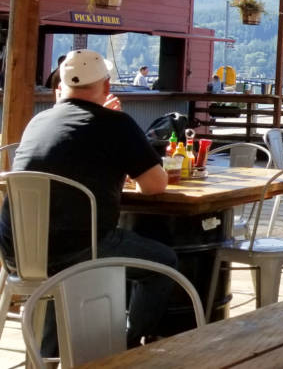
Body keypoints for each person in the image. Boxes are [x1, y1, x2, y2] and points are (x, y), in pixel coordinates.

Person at [0, 49, 178, 352]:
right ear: (106, 86)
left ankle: (49, 352)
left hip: (16, 251)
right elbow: (154, 185)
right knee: (165, 263)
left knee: (63, 243)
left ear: (61, 86)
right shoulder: (116, 123)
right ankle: (127, 348)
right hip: (77, 251)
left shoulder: (38, 121)